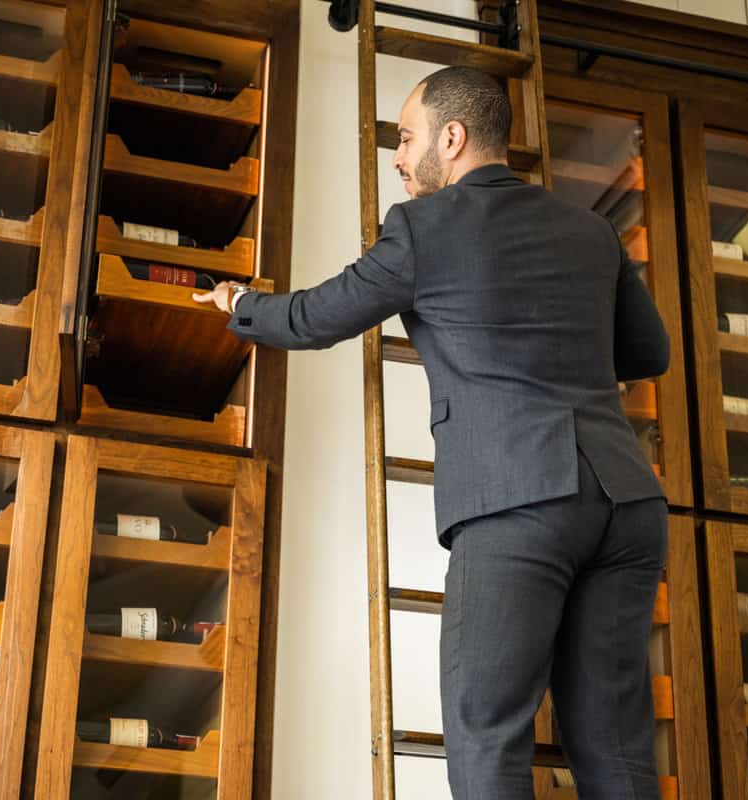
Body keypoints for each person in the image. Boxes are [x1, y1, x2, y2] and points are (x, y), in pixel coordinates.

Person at [192, 65, 669, 800]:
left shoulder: (423, 228)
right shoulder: (591, 230)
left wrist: (240, 301)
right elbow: (649, 354)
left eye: (407, 138)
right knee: (613, 745)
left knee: (488, 733)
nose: (398, 157)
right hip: (625, 501)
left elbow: (317, 317)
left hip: (515, 503)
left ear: (453, 137)